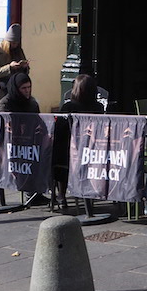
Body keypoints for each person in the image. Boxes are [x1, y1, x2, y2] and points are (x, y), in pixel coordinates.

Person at [54, 74, 105, 210]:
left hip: (69, 151)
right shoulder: (98, 107)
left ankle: (61, 196)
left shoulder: (68, 107)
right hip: (92, 149)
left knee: (58, 154)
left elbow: (58, 129)